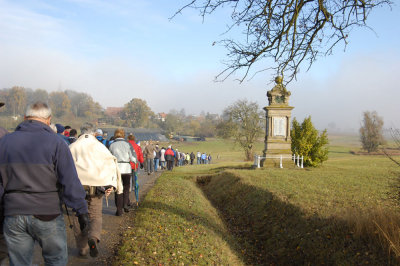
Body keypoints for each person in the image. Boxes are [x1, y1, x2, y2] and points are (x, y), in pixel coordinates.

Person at [0, 102, 89, 265]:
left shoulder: (5, 142)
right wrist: (81, 210)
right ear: (49, 120)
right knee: (55, 260)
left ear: (25, 118)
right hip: (48, 212)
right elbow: (69, 181)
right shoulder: (57, 143)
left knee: (19, 262)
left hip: (14, 212)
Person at [69, 122, 121, 257]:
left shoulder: (72, 146)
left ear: (81, 132)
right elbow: (110, 163)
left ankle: (82, 248)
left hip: (76, 187)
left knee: (78, 215)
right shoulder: (100, 147)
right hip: (96, 187)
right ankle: (93, 236)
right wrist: (111, 184)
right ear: (94, 133)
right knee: (95, 215)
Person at [109, 128, 137, 216]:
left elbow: (109, 157)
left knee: (118, 189)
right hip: (126, 168)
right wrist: (134, 162)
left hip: (116, 168)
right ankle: (125, 204)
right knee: (126, 187)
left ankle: (119, 210)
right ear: (123, 135)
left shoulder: (112, 145)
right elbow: (133, 158)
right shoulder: (128, 144)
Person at [127, 134, 143, 207]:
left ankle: (129, 187)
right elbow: (140, 155)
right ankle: (133, 186)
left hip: (127, 164)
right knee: (134, 176)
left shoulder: (126, 145)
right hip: (135, 164)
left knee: (128, 176)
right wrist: (141, 162)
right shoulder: (137, 146)